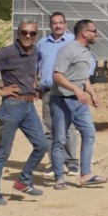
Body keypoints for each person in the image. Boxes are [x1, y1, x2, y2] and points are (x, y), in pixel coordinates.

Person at [0, 19, 49, 204]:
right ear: (18, 33)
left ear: (35, 35)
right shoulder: (7, 52)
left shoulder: (35, 52)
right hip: (12, 107)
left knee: (41, 145)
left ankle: (23, 181)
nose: (28, 36)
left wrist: (34, 84)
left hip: (28, 106)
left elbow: (32, 71)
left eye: (32, 33)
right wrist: (0, 90)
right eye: (24, 32)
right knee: (4, 152)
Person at [50, 19, 106, 187]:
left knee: (89, 133)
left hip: (80, 102)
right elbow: (57, 75)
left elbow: (83, 77)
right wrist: (75, 89)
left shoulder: (86, 51)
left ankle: (86, 174)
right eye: (94, 30)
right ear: (84, 33)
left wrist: (92, 93)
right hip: (61, 100)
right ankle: (59, 178)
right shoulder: (68, 50)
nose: (97, 34)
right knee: (60, 139)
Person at [37, 10, 78, 164]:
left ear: (65, 25)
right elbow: (36, 65)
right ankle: (54, 162)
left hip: (67, 91)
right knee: (49, 129)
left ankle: (71, 162)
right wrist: (36, 86)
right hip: (48, 91)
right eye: (54, 23)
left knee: (68, 127)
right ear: (50, 26)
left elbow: (84, 62)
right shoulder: (42, 43)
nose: (58, 26)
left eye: (60, 23)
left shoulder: (73, 42)